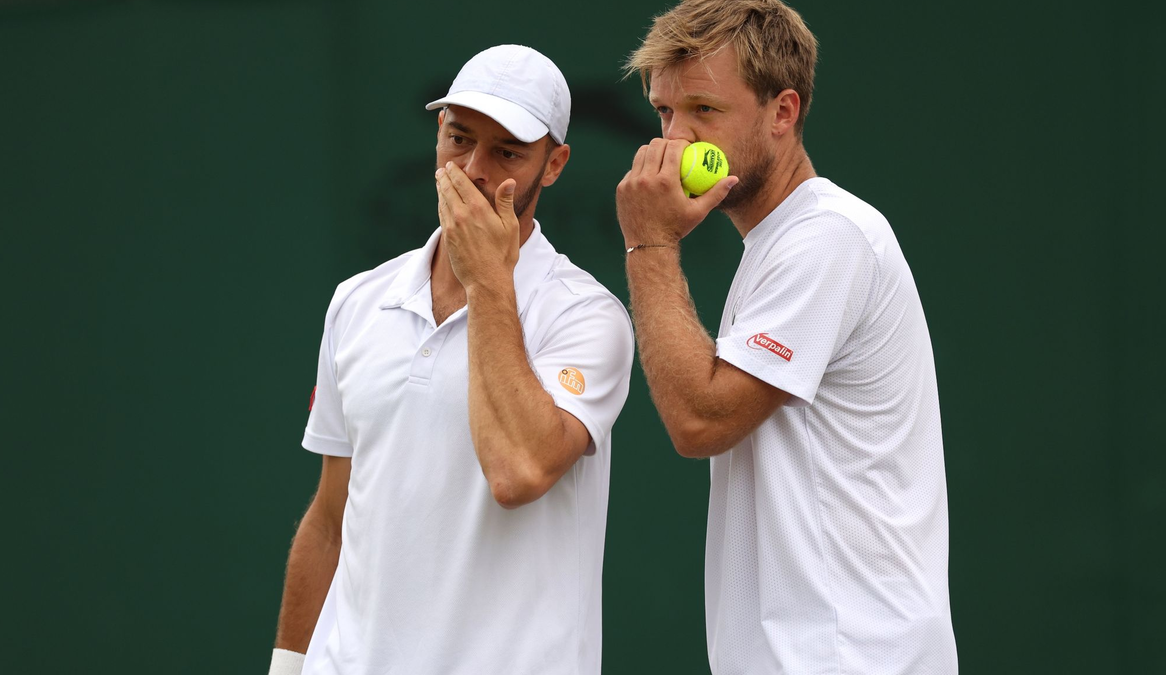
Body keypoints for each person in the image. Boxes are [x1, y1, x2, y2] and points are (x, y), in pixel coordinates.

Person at [268, 45, 634, 675]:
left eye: (507, 152)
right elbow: (331, 518)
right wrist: (287, 665)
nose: (474, 169)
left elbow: (519, 472)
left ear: (555, 165)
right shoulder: (355, 303)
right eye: (459, 138)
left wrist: (489, 282)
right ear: (438, 134)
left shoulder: (587, 318)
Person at [615, 1, 958, 673]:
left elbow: (700, 418)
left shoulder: (827, 237)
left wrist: (649, 244)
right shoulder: (785, 241)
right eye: (664, 113)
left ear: (782, 112)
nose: (674, 141)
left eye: (704, 112)